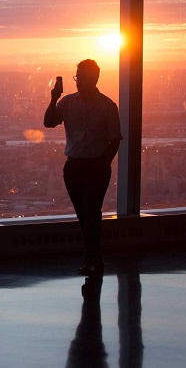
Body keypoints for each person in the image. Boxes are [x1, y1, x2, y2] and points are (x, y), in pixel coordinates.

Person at [44, 59, 122, 277]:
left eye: (83, 78)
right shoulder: (67, 102)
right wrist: (54, 98)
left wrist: (103, 163)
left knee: (89, 215)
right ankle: (94, 259)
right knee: (87, 216)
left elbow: (115, 139)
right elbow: (48, 122)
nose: (79, 82)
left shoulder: (108, 106)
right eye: (77, 78)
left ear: (96, 78)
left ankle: (92, 259)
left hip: (94, 166)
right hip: (75, 168)